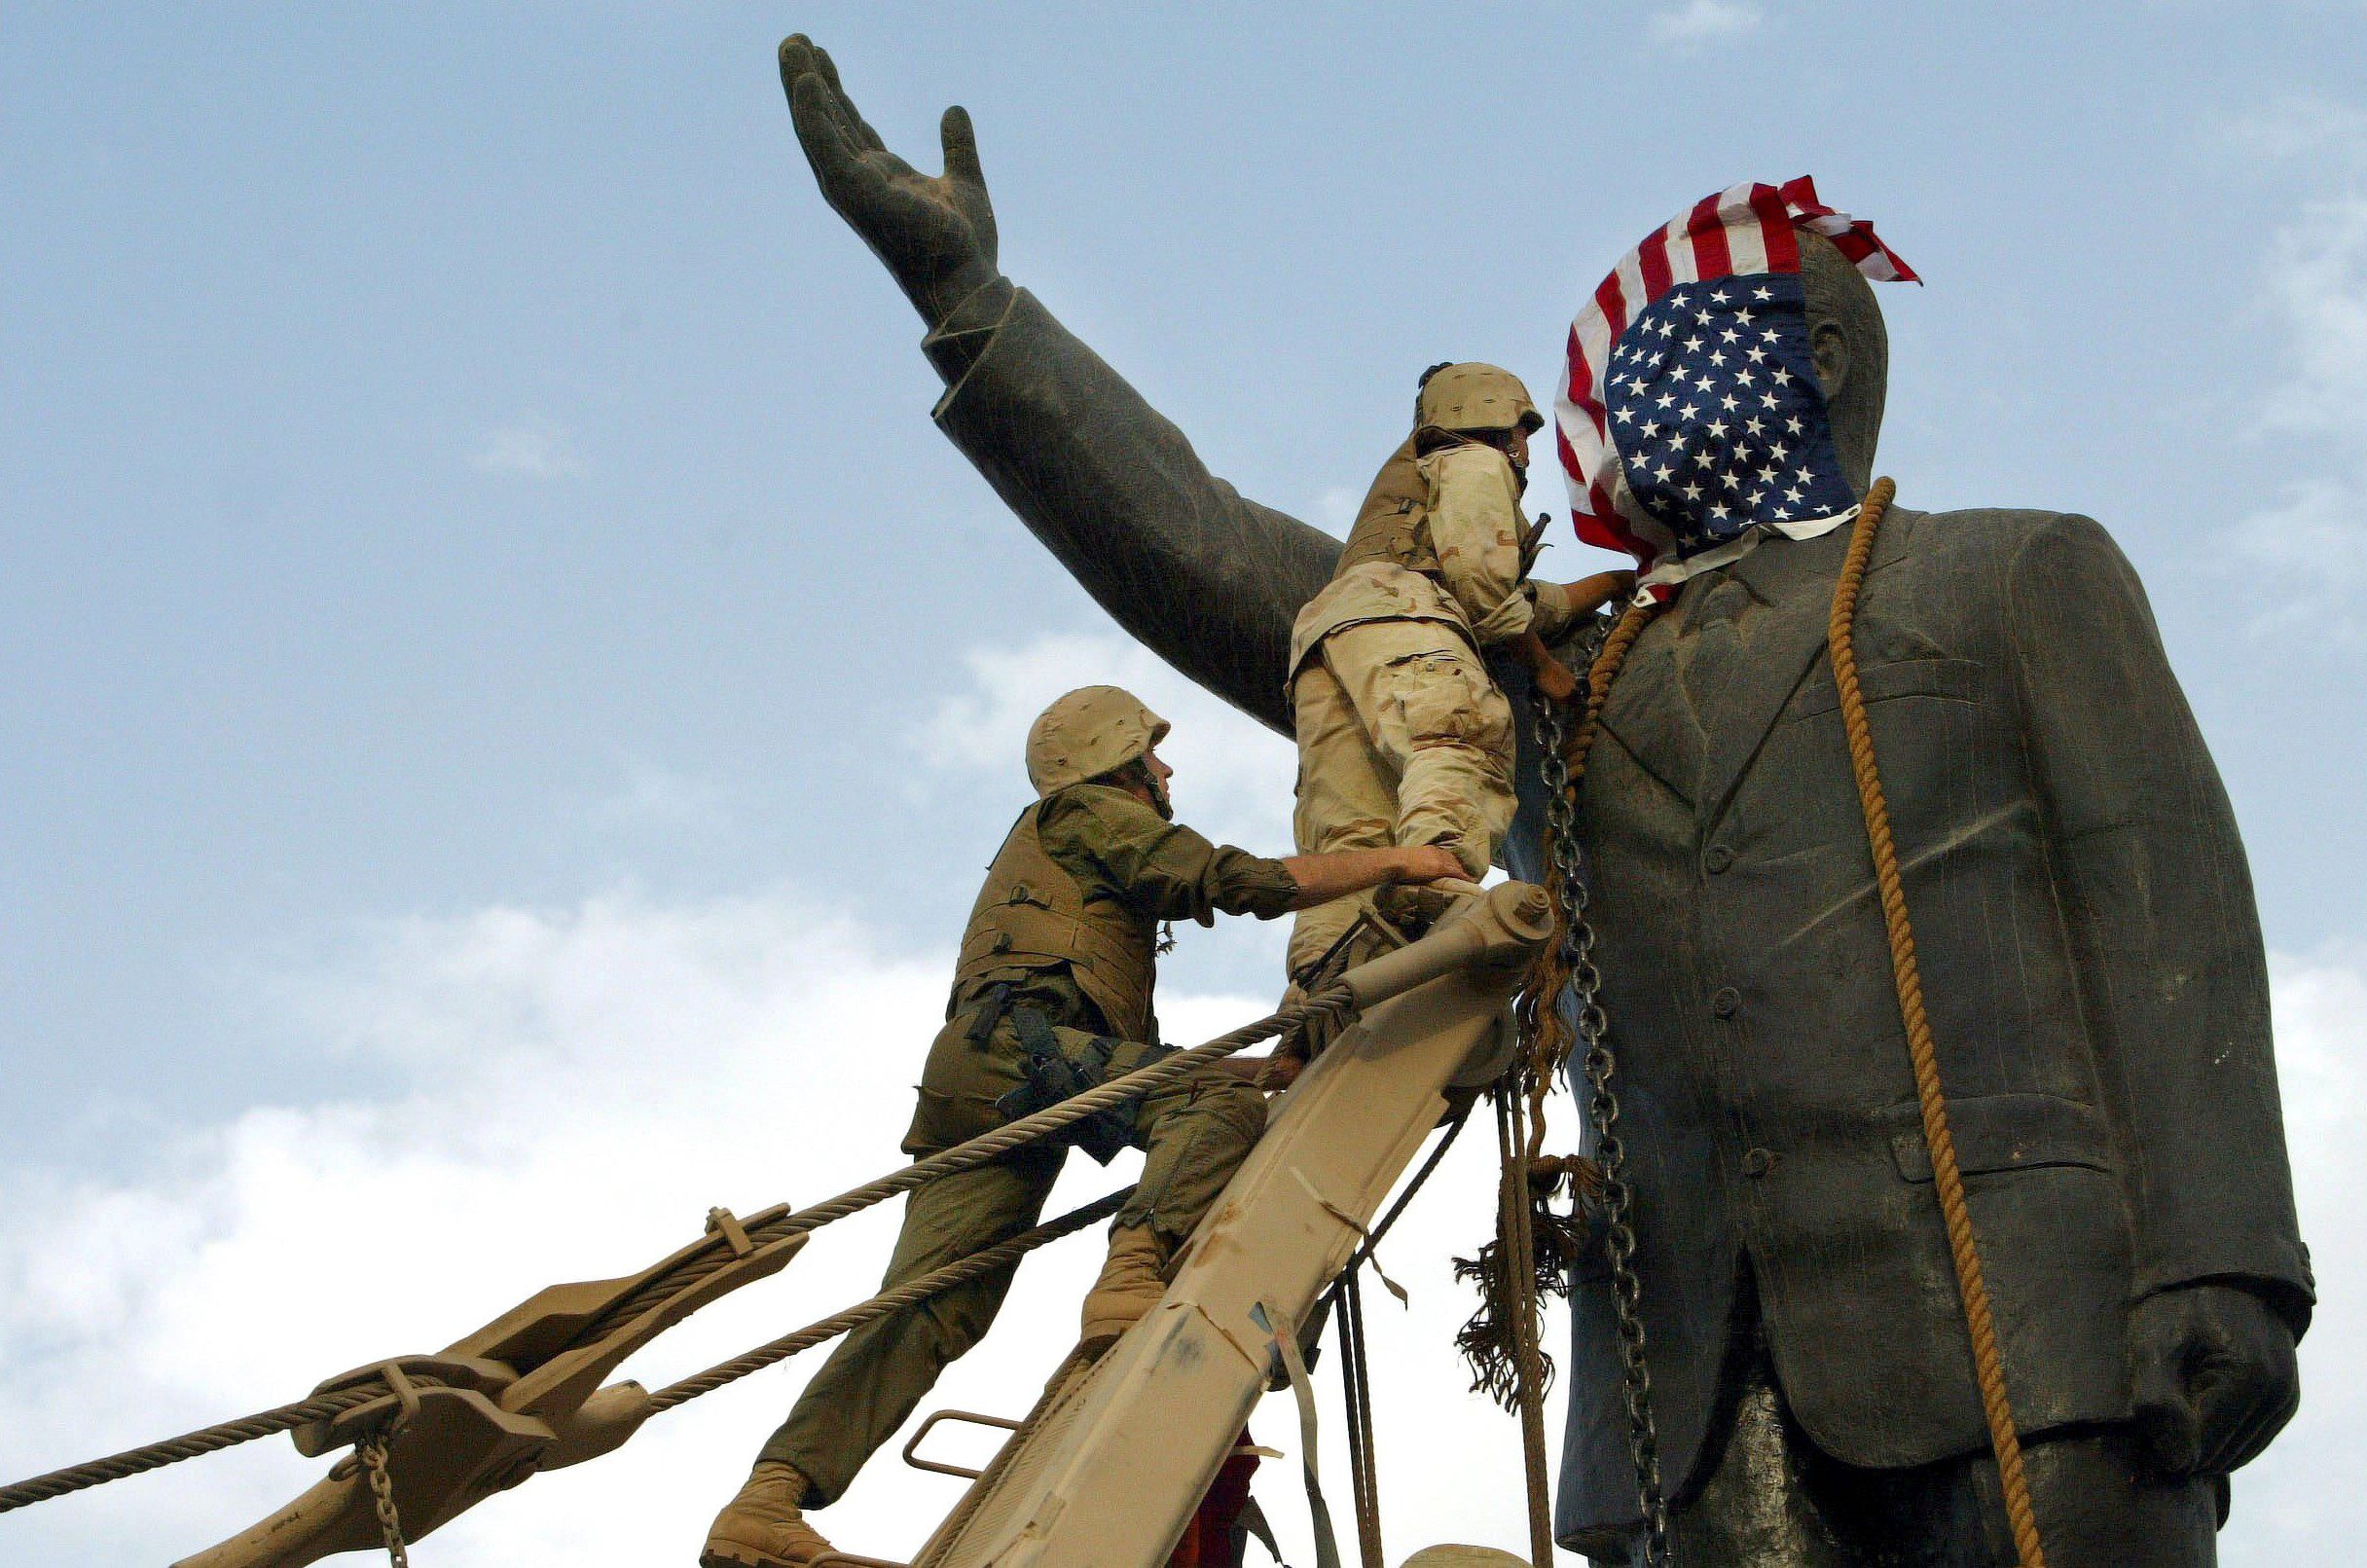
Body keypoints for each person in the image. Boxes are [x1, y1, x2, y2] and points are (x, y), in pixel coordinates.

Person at [766, 41, 2308, 1567]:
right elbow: (1228, 560)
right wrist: (969, 308)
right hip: (1686, 1394)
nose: (1625, 394)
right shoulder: (1562, 677)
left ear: (1821, 361)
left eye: (1686, 339)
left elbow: (2169, 915)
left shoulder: (2013, 576)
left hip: (2031, 1341)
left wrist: (2226, 1261)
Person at [702, 684, 1465, 1568]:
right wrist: (1400, 862)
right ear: (1121, 764)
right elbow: (1230, 880)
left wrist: (1261, 1068)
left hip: (987, 1072)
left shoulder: (1050, 853)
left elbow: (1122, 1063)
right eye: (1153, 754)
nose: (1167, 769)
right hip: (1025, 1057)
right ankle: (1130, 1268)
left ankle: (767, 1501)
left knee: (931, 1305)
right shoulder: (1088, 811)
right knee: (1212, 1110)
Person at [1286, 362, 1633, 981]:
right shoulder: (1473, 460)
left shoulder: (1411, 493)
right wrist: (1545, 667)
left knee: (1355, 834)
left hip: (1329, 640)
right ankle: (1436, 882)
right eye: (1521, 429)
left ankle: (1322, 979)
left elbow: (1525, 601)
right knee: (1459, 734)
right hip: (1404, 614)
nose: (1525, 447)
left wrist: (1608, 583)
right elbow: (1485, 587)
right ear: (1491, 418)